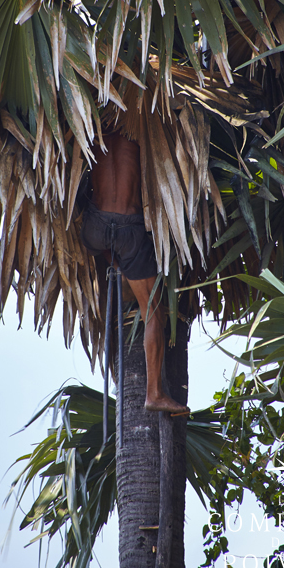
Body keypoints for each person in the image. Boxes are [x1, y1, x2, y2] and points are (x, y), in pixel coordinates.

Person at [81, 131, 188, 414]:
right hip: (129, 227)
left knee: (105, 244)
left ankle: (120, 267)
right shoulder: (140, 121)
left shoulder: (93, 123)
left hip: (94, 226)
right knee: (153, 310)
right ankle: (154, 393)